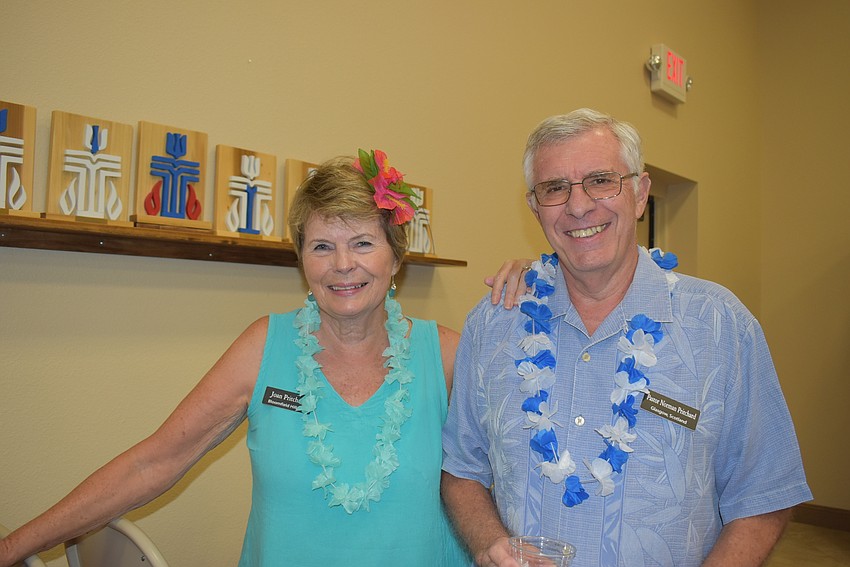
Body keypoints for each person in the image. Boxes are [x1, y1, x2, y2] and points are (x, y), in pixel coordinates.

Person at [0, 149, 528, 567]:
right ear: (302, 259)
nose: (343, 265)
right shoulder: (263, 346)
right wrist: (13, 545)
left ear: (395, 256)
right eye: (321, 246)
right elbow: (153, 461)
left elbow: (538, 448)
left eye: (363, 243)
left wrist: (548, 294)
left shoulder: (450, 355)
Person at [441, 109, 812, 567]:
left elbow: (765, 492)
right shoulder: (493, 324)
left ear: (639, 194)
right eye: (555, 188)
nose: (578, 207)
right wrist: (485, 542)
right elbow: (461, 471)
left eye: (600, 180)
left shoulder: (720, 325)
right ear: (535, 208)